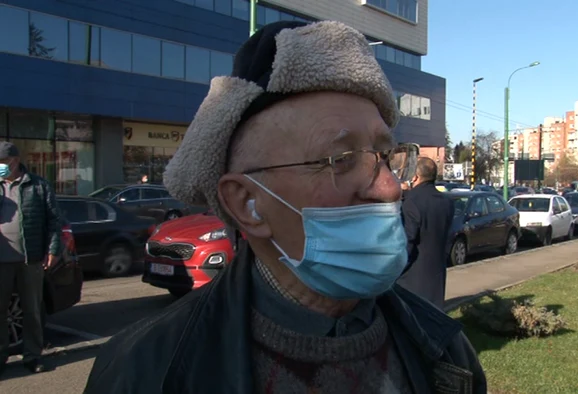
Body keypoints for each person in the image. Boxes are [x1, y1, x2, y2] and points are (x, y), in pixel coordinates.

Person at [83, 21, 486, 394]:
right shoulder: (145, 371)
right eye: (341, 159)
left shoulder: (446, 351)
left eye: (385, 154)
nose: (389, 188)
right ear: (247, 204)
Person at [0, 142, 62, 375]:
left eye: (2, 163)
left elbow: (55, 221)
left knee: (32, 311)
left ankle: (32, 356)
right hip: (1, 261)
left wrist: (53, 250)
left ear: (14, 161)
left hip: (31, 259)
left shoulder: (38, 186)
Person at [397, 158, 455, 309]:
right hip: (437, 274)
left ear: (415, 177)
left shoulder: (411, 202)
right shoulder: (446, 201)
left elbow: (408, 241)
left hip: (411, 279)